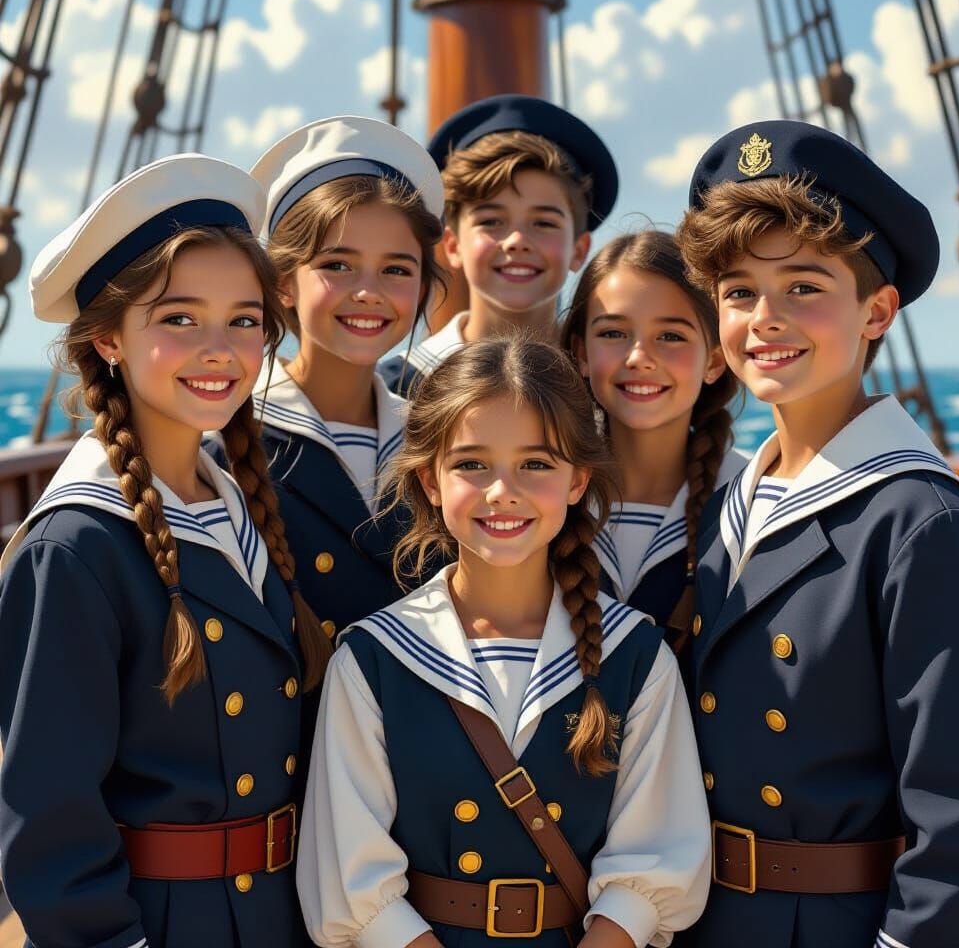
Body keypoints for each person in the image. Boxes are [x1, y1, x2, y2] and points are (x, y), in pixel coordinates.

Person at [675, 120, 959, 948]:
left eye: (803, 287)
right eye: (737, 292)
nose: (766, 318)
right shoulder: (738, 502)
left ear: (877, 310)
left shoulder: (921, 523)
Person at [0, 154, 331, 947]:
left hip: (280, 914)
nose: (218, 347)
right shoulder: (76, 546)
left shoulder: (241, 505)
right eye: (179, 318)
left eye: (244, 320)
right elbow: (50, 825)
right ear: (110, 338)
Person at [298, 335, 711, 947]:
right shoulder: (374, 657)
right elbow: (351, 880)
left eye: (536, 464)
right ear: (430, 480)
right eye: (471, 463)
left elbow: (655, 861)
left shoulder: (635, 653)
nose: (502, 491)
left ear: (578, 481)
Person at [247, 116, 444, 634]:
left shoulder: (439, 439)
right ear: (283, 282)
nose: (368, 291)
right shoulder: (227, 440)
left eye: (397, 270)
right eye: (337, 265)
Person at [561, 230, 745, 642]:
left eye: (671, 336)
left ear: (714, 360)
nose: (640, 358)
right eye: (612, 333)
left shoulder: (752, 503)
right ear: (581, 353)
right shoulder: (539, 493)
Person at [378, 94, 618, 395]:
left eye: (544, 223)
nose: (517, 241)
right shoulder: (393, 392)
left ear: (579, 250)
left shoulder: (608, 389)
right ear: (453, 246)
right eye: (491, 221)